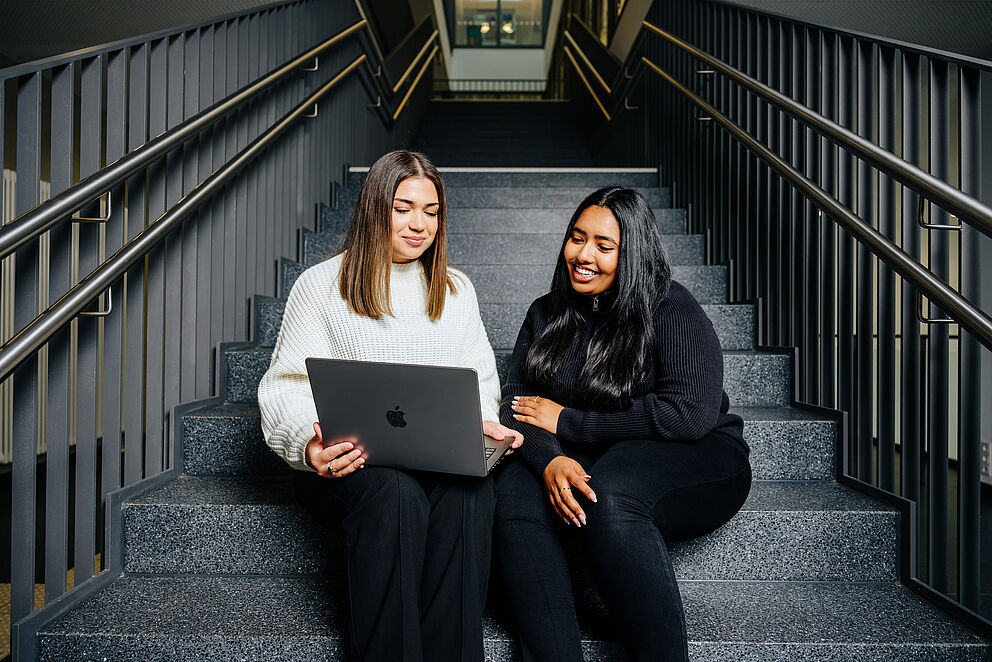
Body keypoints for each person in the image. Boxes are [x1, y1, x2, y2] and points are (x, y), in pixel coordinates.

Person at [257, 150, 522, 662]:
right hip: (352, 465)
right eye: (404, 207)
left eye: (431, 210)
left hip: (438, 458)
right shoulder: (319, 286)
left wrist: (483, 425)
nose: (419, 224)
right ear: (376, 207)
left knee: (471, 495)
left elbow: (481, 379)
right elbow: (284, 388)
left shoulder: (456, 289)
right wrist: (309, 445)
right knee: (395, 495)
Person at [493, 186, 751, 662]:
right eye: (576, 237)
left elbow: (689, 415)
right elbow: (515, 407)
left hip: (697, 453)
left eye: (604, 246)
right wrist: (550, 461)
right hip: (596, 452)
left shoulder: (671, 308)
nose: (583, 255)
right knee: (510, 492)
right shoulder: (546, 312)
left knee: (608, 496)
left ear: (632, 252)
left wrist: (571, 425)